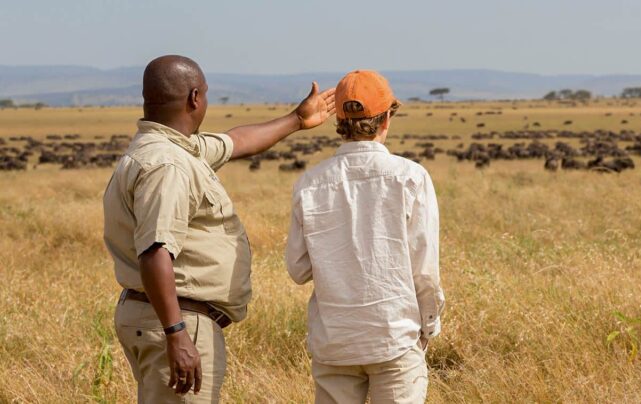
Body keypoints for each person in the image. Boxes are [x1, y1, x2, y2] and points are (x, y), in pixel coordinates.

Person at [103, 55, 335, 403]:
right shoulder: (168, 165)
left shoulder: (172, 148)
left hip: (164, 317)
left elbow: (236, 141)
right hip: (178, 320)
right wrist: (177, 333)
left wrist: (297, 119)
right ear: (195, 97)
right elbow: (155, 252)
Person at [285, 70, 445, 403]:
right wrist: (428, 326)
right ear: (386, 118)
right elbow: (425, 270)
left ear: (339, 122)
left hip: (335, 342)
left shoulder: (309, 184)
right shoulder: (411, 177)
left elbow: (298, 270)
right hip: (394, 337)